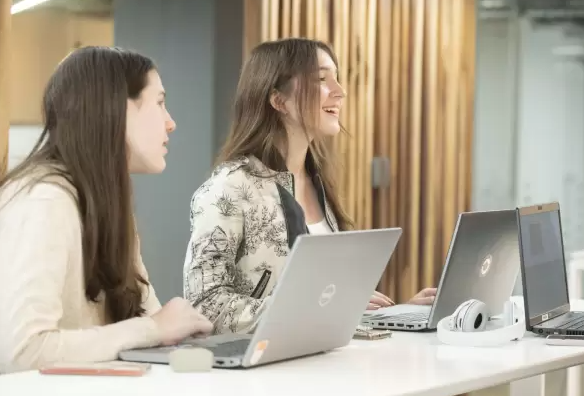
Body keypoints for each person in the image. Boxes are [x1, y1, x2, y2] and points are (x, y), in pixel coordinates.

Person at [183, 38, 435, 334]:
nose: (340, 92)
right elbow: (204, 304)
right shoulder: (229, 188)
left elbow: (326, 306)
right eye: (321, 80)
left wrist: (397, 313)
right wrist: (305, 307)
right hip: (261, 373)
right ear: (279, 100)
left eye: (337, 79)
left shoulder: (318, 184)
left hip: (321, 366)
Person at [0, 47, 213, 374]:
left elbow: (151, 321)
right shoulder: (45, 200)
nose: (171, 123)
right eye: (159, 103)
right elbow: (21, 352)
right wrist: (153, 330)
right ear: (115, 109)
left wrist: (186, 340)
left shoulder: (105, 201)